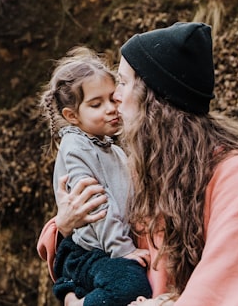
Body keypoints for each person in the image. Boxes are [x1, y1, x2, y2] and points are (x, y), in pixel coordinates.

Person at [37, 22, 238, 306]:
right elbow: (86, 239)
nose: (116, 98)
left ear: (155, 96)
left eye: (122, 83)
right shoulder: (144, 165)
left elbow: (220, 287)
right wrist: (62, 226)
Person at [41, 47, 152, 306]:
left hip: (105, 249)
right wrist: (124, 251)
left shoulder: (110, 147)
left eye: (113, 99)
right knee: (130, 285)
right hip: (92, 252)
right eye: (96, 104)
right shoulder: (75, 148)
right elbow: (97, 206)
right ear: (72, 116)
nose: (111, 108)